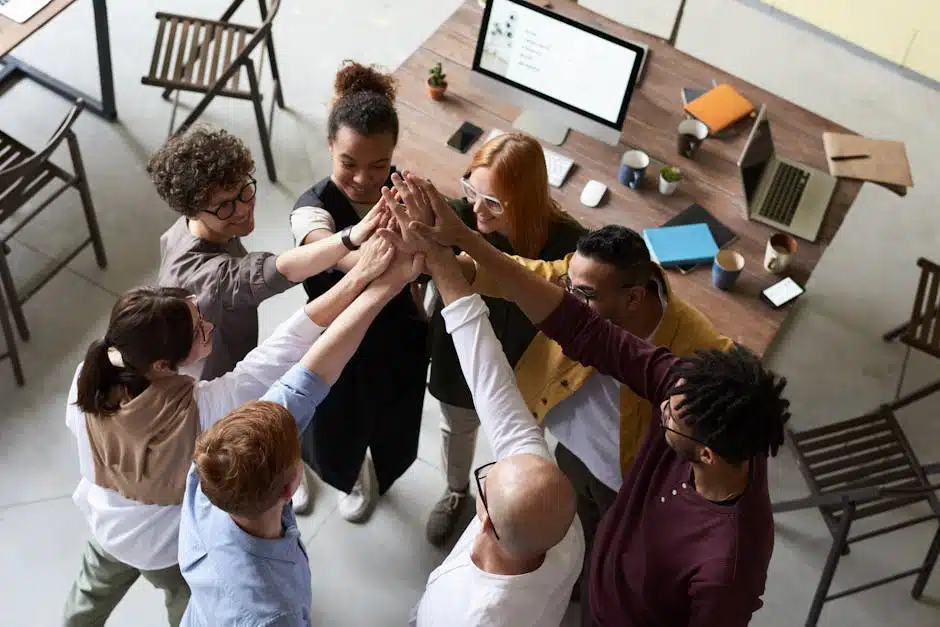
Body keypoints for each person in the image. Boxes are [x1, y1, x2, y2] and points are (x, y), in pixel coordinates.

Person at [392, 174, 791, 627]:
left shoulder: (730, 564)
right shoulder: (689, 389)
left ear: (705, 453)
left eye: (670, 418)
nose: (661, 405)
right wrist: (458, 243)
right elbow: (581, 328)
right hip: (599, 575)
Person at [62, 237, 394, 626]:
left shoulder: (90, 375)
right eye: (199, 330)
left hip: (106, 523)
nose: (209, 326)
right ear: (165, 364)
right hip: (163, 547)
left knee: (87, 601)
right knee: (187, 603)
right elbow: (286, 348)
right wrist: (362, 277)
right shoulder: (205, 412)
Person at [465, 224, 733, 600]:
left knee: (608, 551)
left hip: (622, 480)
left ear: (635, 298)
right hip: (571, 453)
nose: (568, 301)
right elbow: (516, 273)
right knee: (570, 530)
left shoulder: (695, 347)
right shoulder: (579, 279)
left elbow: (734, 401)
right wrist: (451, 262)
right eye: (570, 287)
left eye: (584, 295)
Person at [179, 244, 422, 626]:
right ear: (292, 486)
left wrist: (386, 285)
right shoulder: (273, 612)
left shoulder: (210, 473)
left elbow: (309, 375)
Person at [151, 126, 388, 514]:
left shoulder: (188, 229)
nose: (243, 207)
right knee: (281, 421)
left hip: (234, 366)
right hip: (218, 388)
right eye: (225, 205)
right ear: (192, 208)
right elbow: (271, 272)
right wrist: (351, 239)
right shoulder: (201, 275)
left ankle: (307, 469)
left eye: (245, 189)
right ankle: (294, 472)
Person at [402, 211, 583, 627]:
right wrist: (444, 261)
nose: (503, 456)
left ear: (483, 519)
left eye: (486, 480)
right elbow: (493, 385)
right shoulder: (559, 527)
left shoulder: (478, 617)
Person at [423, 132, 585, 547]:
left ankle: (504, 511)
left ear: (527, 202)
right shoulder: (455, 217)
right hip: (460, 363)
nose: (476, 208)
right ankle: (456, 490)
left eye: (492, 202)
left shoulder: (570, 246)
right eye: (471, 191)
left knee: (518, 453)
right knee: (456, 430)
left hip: (528, 375)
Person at [288, 60, 429, 523]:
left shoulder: (410, 195)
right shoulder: (311, 210)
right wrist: (370, 258)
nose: (365, 179)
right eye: (348, 162)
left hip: (396, 336)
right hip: (335, 334)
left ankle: (366, 475)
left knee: (390, 420)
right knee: (325, 420)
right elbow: (325, 249)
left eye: (379, 165)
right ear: (330, 146)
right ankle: (302, 471)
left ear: (394, 154)